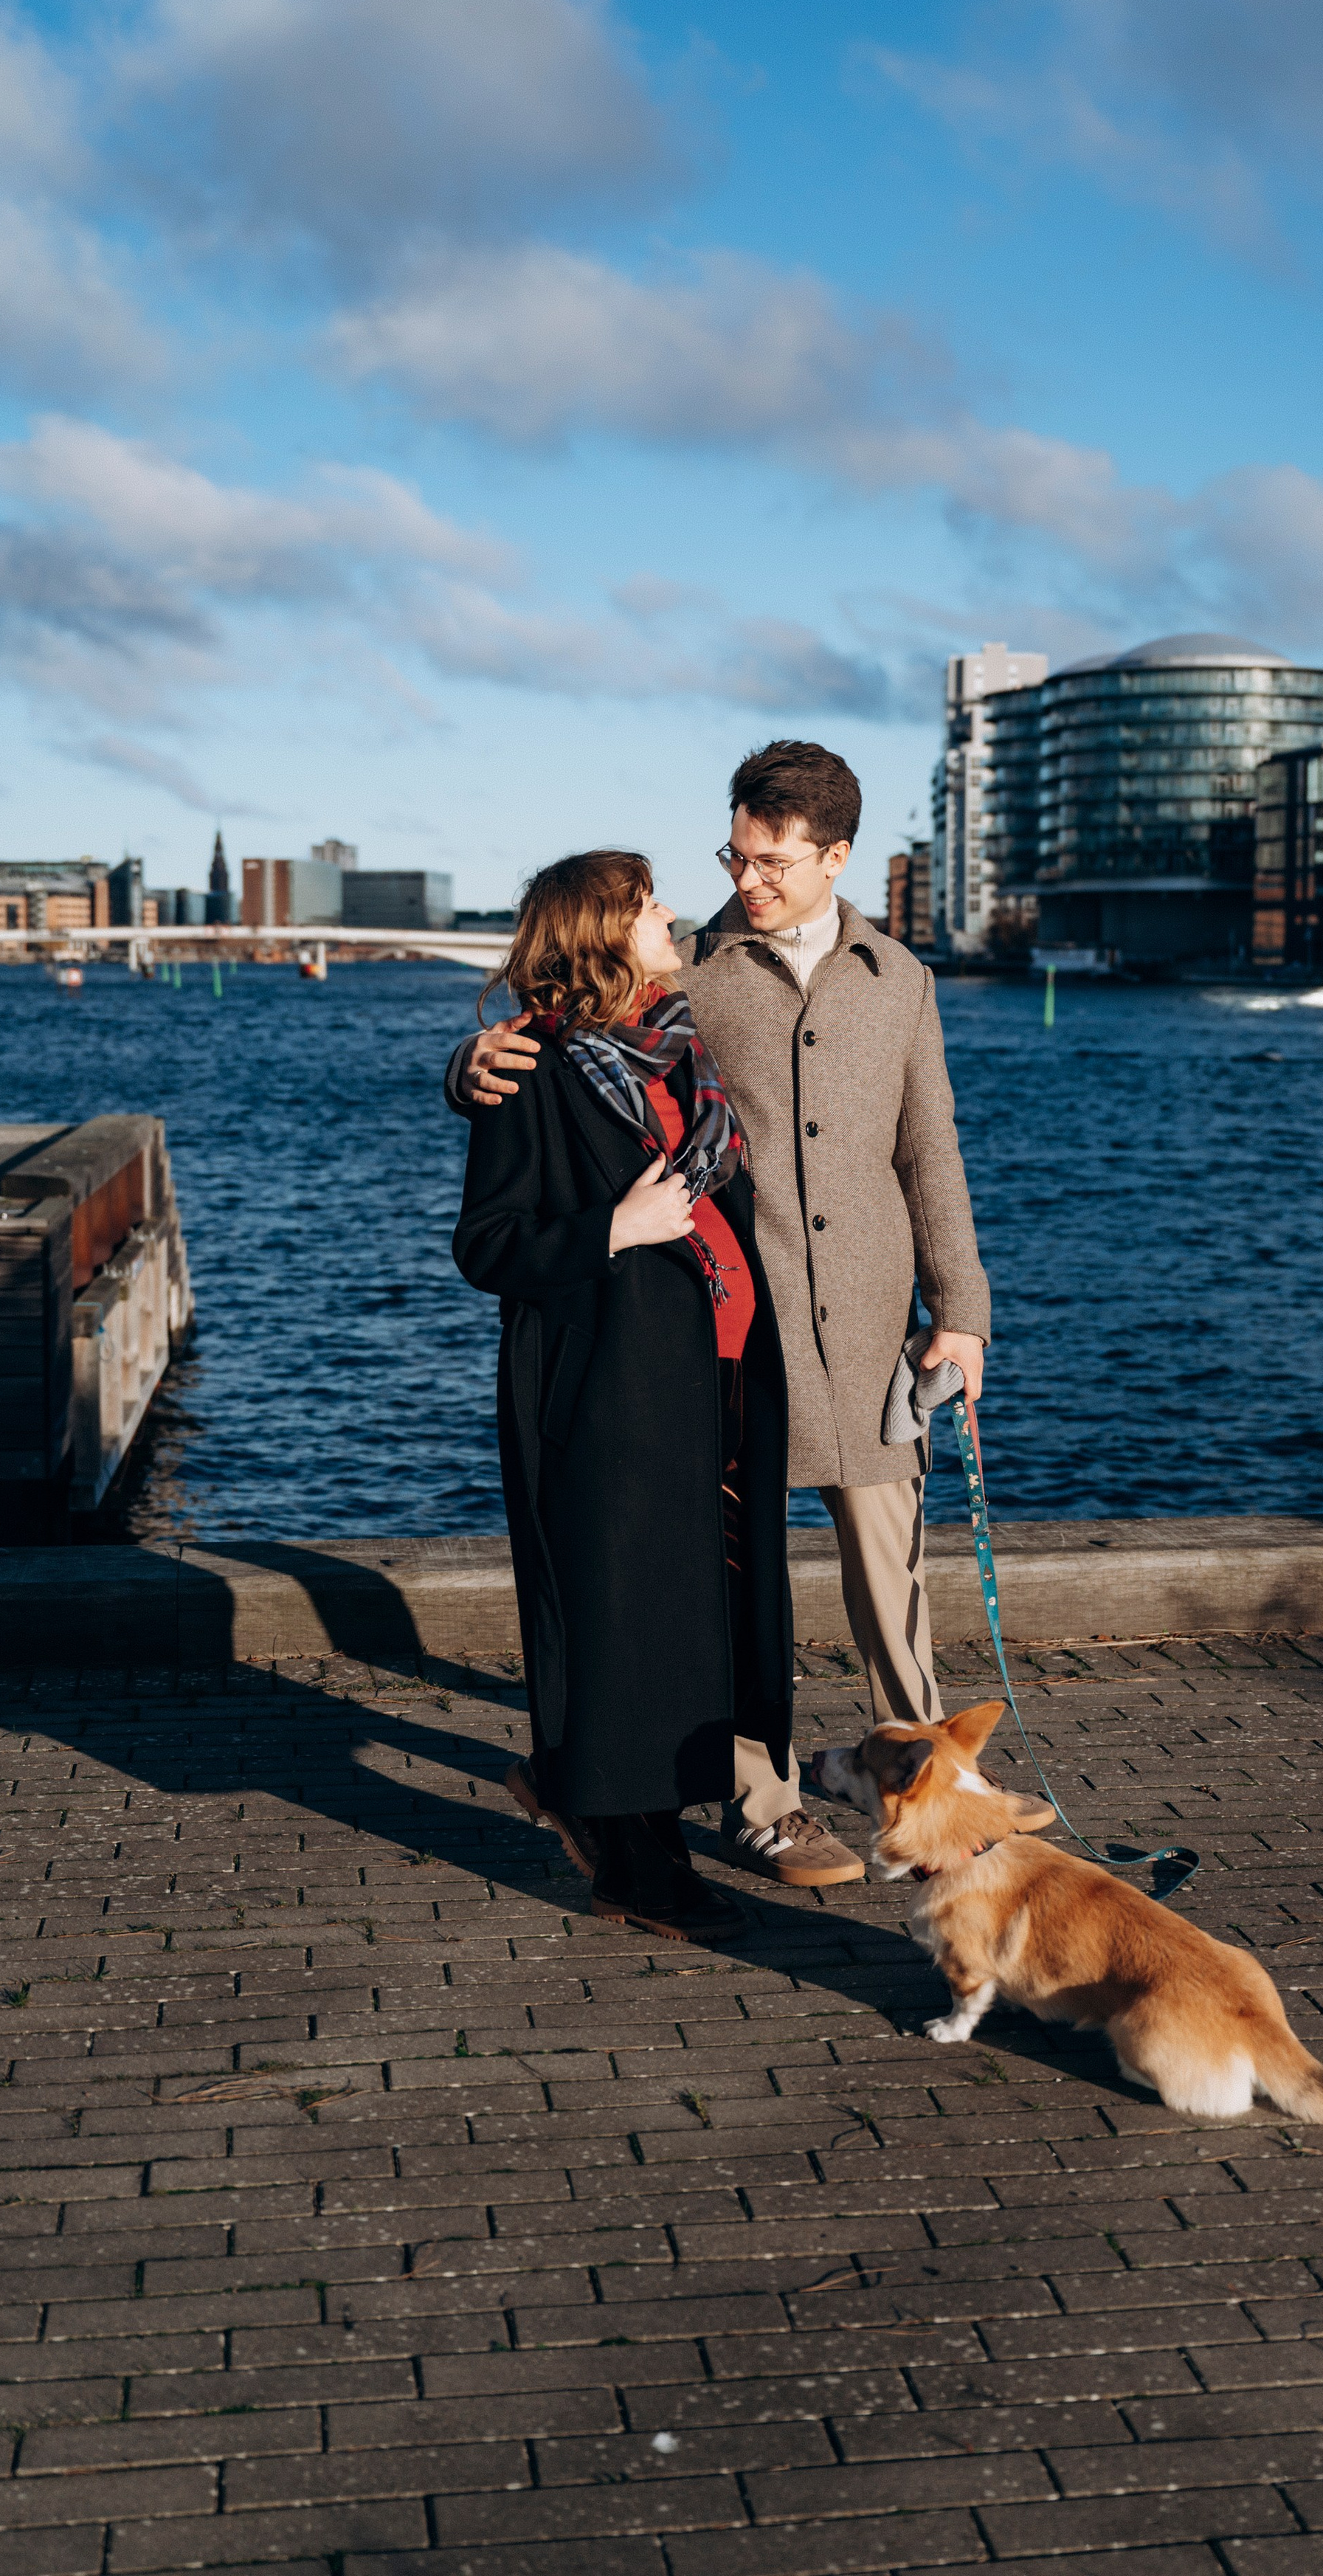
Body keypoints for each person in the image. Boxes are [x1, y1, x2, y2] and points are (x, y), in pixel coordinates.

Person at [449, 742, 1050, 1887]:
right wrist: (466, 1065)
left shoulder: (900, 978)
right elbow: (565, 1033)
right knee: (727, 1578)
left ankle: (936, 1793)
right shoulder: (692, 970)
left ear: (835, 856)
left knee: (893, 1585)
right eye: (736, 851)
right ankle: (762, 1804)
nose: (747, 877)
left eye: (772, 859)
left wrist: (961, 1312)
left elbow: (933, 1155)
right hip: (732, 1336)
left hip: (873, 1330)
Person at [448, 848, 794, 1944]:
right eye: (650, 907)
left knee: (686, 1618)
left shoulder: (673, 1051)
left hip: (709, 1384)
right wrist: (615, 1230)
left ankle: (599, 1798)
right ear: (604, 933)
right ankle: (634, 1861)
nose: (673, 916)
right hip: (605, 1391)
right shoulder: (533, 1070)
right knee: (620, 1624)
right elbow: (487, 1243)